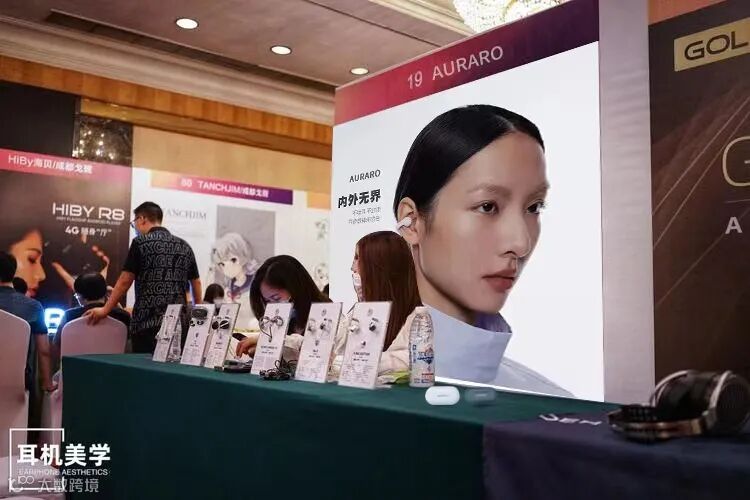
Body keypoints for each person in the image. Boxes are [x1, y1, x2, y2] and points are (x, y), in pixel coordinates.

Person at [386, 105, 571, 397]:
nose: (521, 243)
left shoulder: (548, 401)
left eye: (534, 207)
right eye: (487, 207)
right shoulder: (352, 377)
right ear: (411, 221)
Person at [85, 202, 202, 353]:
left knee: (144, 365)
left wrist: (105, 310)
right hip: (178, 324)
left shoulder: (140, 243)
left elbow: (125, 281)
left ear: (142, 219)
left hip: (147, 323)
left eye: (134, 223)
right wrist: (199, 315)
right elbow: (196, 283)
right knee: (172, 365)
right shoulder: (184, 246)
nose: (135, 228)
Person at [235, 255, 331, 358]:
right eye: (268, 301)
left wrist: (271, 340)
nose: (274, 306)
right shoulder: (285, 322)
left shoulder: (328, 315)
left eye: (276, 298)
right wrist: (263, 350)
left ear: (296, 288)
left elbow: (318, 351)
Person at [0, 251, 54, 393]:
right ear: (13, 272)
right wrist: (47, 383)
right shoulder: (33, 307)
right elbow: (43, 350)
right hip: (19, 382)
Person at [51, 273, 130, 367]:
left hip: (75, 370)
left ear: (80, 296)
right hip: (114, 371)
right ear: (105, 293)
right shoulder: (123, 316)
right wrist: (114, 300)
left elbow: (56, 346)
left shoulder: (69, 316)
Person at [210, 232, 259, 329]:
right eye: (221, 264)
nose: (224, 268)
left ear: (237, 259)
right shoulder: (229, 286)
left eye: (224, 264)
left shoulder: (256, 284)